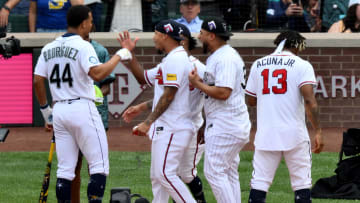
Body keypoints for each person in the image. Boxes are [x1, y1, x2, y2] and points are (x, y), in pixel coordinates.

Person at [33, 5, 132, 202]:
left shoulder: (49, 47)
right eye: (90, 20)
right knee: (99, 166)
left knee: (65, 170)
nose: (91, 24)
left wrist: (47, 114)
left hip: (59, 110)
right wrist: (121, 54)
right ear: (83, 23)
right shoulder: (83, 45)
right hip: (82, 107)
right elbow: (98, 74)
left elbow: (37, 80)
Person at [122, 23, 207, 203]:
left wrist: (147, 122)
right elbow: (143, 78)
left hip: (174, 126)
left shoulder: (176, 59)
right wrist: (129, 54)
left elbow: (169, 95)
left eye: (156, 33)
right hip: (170, 125)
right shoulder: (170, 59)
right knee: (157, 176)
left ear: (165, 36)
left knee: (165, 174)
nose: (153, 37)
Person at [245, 30, 323, 203]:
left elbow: (251, 100)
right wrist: (318, 131)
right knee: (301, 183)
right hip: (295, 134)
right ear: (296, 46)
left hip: (266, 134)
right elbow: (310, 101)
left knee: (259, 183)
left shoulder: (258, 64)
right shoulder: (302, 65)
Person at [188, 18, 251, 203]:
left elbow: (223, 92)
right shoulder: (222, 55)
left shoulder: (225, 58)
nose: (199, 37)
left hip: (227, 123)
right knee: (228, 172)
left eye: (202, 33)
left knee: (214, 172)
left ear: (212, 35)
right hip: (229, 121)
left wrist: (197, 83)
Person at [70, 26, 116, 203]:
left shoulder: (100, 51)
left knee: (95, 165)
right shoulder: (68, 51)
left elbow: (105, 86)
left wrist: (92, 94)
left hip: (97, 114)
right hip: (73, 114)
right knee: (74, 166)